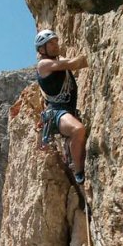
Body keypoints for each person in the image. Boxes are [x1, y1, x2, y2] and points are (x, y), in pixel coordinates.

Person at [35, 29, 88, 184]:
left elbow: (67, 63)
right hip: (57, 112)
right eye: (50, 43)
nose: (55, 45)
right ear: (41, 50)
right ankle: (78, 170)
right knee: (78, 130)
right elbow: (72, 64)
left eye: (55, 41)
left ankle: (72, 154)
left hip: (67, 110)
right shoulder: (43, 64)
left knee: (77, 131)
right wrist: (91, 54)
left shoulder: (57, 61)